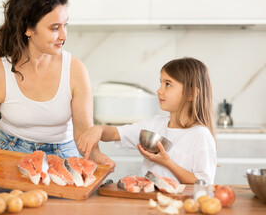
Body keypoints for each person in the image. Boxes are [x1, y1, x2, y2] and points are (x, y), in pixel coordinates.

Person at [0, 0, 114, 167]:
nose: (64, 35)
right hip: (9, 152)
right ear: (28, 29)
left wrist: (96, 156)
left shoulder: (75, 70)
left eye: (65, 25)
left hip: (62, 154)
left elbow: (83, 131)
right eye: (55, 28)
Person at [78, 57, 217, 184]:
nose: (159, 90)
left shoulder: (200, 135)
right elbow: (116, 133)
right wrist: (99, 130)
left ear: (191, 94)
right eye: (161, 83)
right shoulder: (154, 125)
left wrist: (167, 162)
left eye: (168, 84)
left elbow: (203, 183)